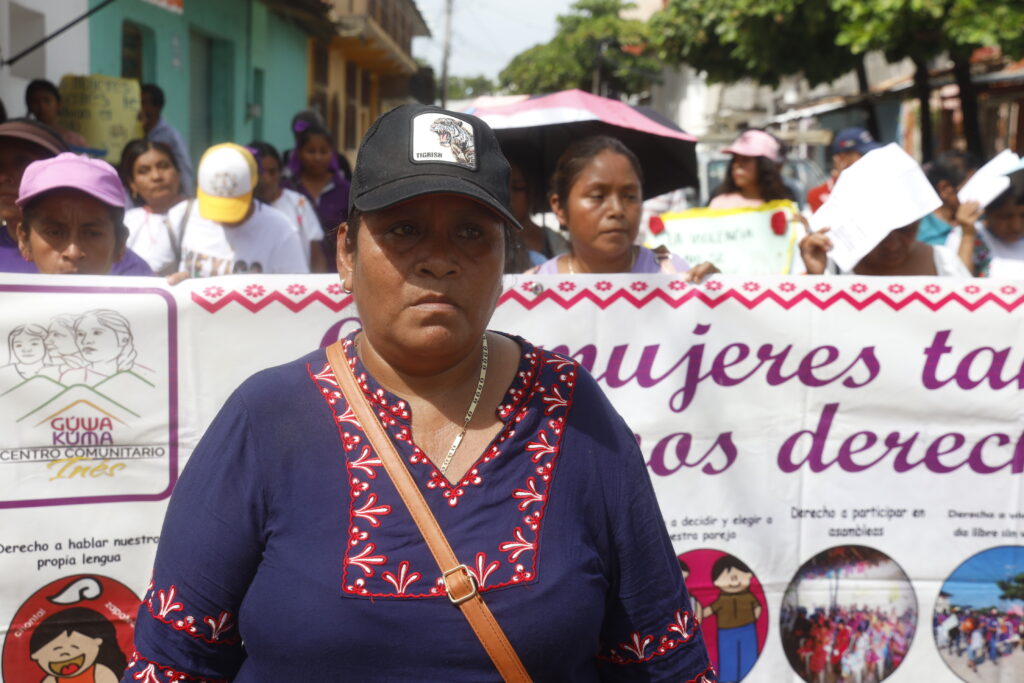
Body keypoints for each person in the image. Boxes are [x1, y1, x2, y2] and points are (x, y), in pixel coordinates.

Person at [124, 103, 716, 681]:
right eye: (405, 230)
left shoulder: (569, 411)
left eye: (471, 233)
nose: (439, 260)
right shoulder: (267, 418)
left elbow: (662, 660)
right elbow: (174, 666)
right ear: (347, 255)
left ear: (503, 260)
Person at [531, 135, 717, 279]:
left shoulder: (674, 275)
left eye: (630, 196)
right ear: (559, 208)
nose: (617, 210)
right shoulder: (532, 289)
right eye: (598, 196)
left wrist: (718, 295)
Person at [0, 121, 152, 276]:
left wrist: (177, 295)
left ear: (120, 243)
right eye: (54, 232)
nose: (73, 253)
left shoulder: (136, 278)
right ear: (24, 240)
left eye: (93, 233)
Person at [165, 143, 307, 278]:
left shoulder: (280, 230)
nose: (225, 218)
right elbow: (153, 278)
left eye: (233, 204)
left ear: (253, 186)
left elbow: (298, 293)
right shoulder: (181, 217)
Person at [248, 140, 327, 272]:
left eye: (272, 172)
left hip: (294, 288)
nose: (266, 179)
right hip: (254, 288)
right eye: (260, 173)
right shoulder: (242, 210)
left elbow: (316, 257)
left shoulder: (298, 204)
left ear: (280, 172)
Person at [283, 120, 350, 267]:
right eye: (311, 151)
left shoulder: (344, 189)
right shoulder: (288, 189)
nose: (317, 157)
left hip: (337, 272)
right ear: (299, 153)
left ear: (332, 153)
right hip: (294, 271)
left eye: (323, 151)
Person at [119, 139, 189, 275]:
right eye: (144, 171)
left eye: (163, 166)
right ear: (132, 183)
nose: (156, 176)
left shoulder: (199, 215)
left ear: (178, 173)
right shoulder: (128, 223)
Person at [502, 145, 568, 272]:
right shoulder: (488, 240)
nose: (509, 196)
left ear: (533, 190)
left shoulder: (556, 242)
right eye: (503, 187)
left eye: (517, 187)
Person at [947, 188, 1024, 277]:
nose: (1016, 226)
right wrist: (968, 235)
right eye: (1005, 216)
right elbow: (958, 279)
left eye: (1023, 216)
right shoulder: (964, 234)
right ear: (986, 213)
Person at [708, 129, 793, 209]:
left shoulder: (783, 207)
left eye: (746, 159)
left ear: (765, 165)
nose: (736, 165)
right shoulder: (720, 205)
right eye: (735, 159)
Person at [806, 127, 881, 213]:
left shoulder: (876, 184)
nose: (869, 159)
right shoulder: (818, 195)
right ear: (840, 158)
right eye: (863, 154)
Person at [919, 152, 982, 249]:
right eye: (971, 188)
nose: (976, 195)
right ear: (944, 188)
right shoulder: (918, 232)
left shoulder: (980, 221)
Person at [140, 83, 194, 194]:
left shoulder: (171, 136)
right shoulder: (129, 132)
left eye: (144, 103)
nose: (140, 108)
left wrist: (186, 197)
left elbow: (184, 167)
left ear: (157, 107)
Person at [24, 79, 88, 150]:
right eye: (35, 102)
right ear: (29, 106)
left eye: (47, 101)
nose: (42, 106)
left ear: (58, 104)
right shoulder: (24, 137)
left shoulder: (74, 140)